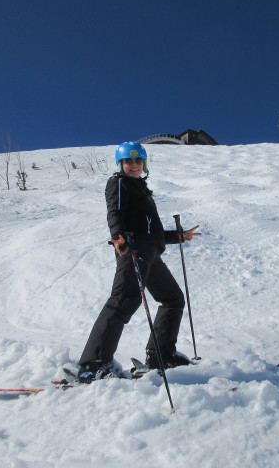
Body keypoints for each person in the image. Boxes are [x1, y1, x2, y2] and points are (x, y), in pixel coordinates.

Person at [76, 141, 201, 382]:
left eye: (137, 160)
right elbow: (114, 212)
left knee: (173, 299)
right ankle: (93, 365)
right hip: (132, 250)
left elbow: (152, 233)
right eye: (128, 161)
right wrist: (117, 236)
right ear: (120, 164)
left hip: (151, 254)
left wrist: (179, 236)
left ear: (144, 163)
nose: (133, 165)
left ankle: (160, 355)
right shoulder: (119, 183)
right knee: (123, 301)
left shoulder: (142, 191)